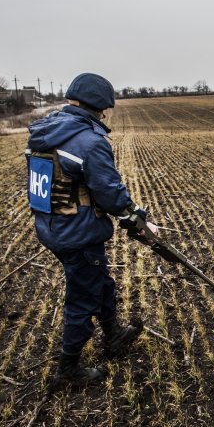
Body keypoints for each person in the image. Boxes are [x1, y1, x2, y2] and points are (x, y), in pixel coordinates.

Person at [25, 73, 156, 386]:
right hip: (77, 232)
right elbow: (108, 191)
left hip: (53, 227)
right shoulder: (90, 141)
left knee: (99, 281)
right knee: (83, 297)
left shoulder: (45, 132)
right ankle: (67, 371)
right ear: (101, 108)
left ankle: (114, 334)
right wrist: (136, 214)